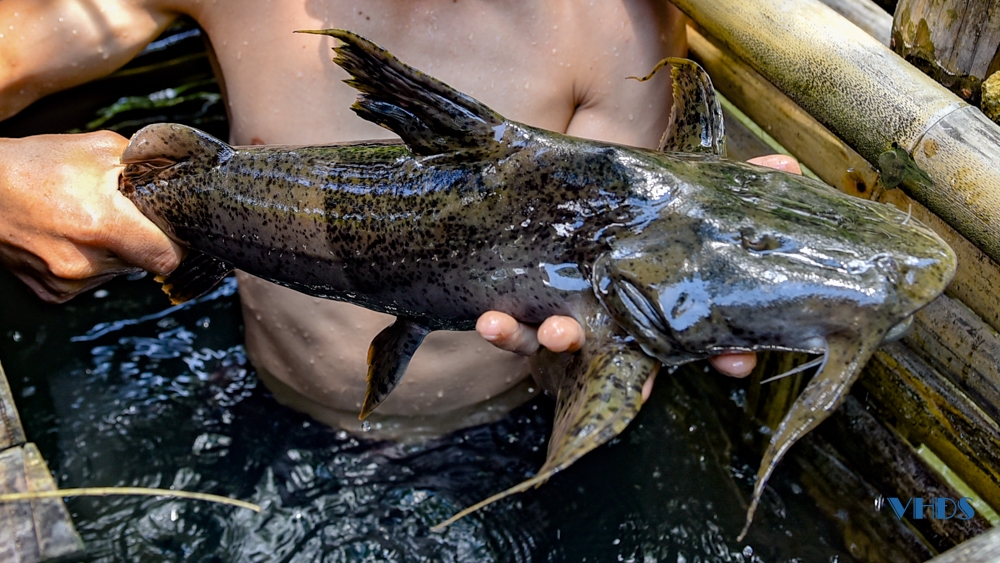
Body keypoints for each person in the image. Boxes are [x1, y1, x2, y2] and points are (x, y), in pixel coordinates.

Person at [0, 0, 788, 436]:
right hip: (260, 397)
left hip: (491, 431)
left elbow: (581, 327)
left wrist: (615, 345)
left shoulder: (614, 28)